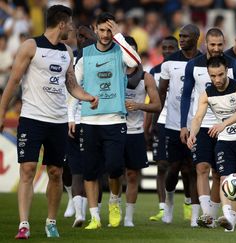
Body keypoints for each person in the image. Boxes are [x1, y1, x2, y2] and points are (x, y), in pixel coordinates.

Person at [0, 5, 98, 239]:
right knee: (28, 169)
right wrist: (2, 112)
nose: (73, 28)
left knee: (55, 172)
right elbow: (13, 82)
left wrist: (88, 96)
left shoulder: (67, 51)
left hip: (58, 121)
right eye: (71, 23)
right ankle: (24, 224)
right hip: (32, 118)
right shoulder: (30, 46)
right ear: (62, 23)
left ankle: (51, 222)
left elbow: (72, 85)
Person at [74, 12, 141, 230]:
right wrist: (71, 118)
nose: (105, 34)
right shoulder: (85, 56)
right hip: (89, 120)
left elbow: (135, 62)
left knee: (114, 168)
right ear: (95, 30)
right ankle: (94, 216)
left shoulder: (120, 53)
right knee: (90, 171)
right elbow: (73, 88)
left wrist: (119, 36)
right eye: (101, 30)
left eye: (109, 30)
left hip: (114, 120)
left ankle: (114, 202)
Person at [180, 28, 236, 227]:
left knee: (218, 173)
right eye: (212, 44)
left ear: (224, 44)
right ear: (205, 44)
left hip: (225, 126)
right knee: (201, 167)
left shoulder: (235, 66)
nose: (216, 49)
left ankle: (216, 216)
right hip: (202, 123)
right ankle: (206, 214)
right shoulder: (193, 66)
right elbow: (185, 96)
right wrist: (184, 125)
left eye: (219, 44)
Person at [187, 55, 236, 232]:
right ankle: (226, 215)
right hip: (225, 141)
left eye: (220, 75)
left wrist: (223, 124)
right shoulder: (207, 93)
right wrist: (192, 134)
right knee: (225, 178)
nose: (217, 79)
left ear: (226, 71)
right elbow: (198, 117)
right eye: (213, 76)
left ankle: (231, 220)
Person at [158, 24, 202, 227]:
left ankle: (194, 215)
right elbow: (161, 93)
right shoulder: (169, 61)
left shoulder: (204, 61)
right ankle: (168, 203)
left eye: (186, 36)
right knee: (173, 168)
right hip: (173, 124)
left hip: (198, 125)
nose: (182, 39)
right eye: (180, 36)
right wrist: (155, 119)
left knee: (193, 169)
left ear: (196, 38)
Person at [148, 36, 193, 222]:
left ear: (177, 49)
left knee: (187, 167)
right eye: (164, 47)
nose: (167, 50)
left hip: (186, 122)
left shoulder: (190, 65)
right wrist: (150, 125)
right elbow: (153, 101)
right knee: (163, 166)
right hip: (163, 122)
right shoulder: (154, 71)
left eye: (171, 47)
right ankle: (164, 206)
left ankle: (189, 203)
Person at [121, 36, 161, 227]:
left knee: (132, 175)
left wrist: (138, 105)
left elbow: (157, 105)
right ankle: (111, 208)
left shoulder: (146, 77)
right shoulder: (113, 74)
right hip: (112, 129)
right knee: (112, 173)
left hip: (135, 132)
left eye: (133, 50)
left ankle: (128, 217)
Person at [67, 25, 98, 228]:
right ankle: (78, 211)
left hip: (96, 121)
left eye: (86, 36)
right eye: (79, 36)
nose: (81, 39)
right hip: (74, 121)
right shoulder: (70, 59)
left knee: (95, 169)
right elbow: (69, 92)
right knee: (74, 167)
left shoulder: (104, 56)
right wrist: (69, 116)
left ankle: (95, 211)